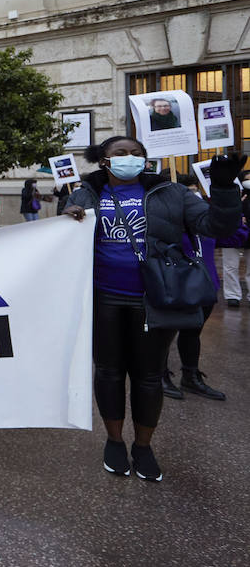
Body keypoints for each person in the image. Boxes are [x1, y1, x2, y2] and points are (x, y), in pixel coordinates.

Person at [64, 138, 243, 482]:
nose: (130, 158)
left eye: (137, 153)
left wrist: (223, 188)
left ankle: (143, 447)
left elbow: (219, 227)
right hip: (104, 299)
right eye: (121, 153)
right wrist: (68, 217)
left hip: (155, 299)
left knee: (148, 376)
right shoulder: (84, 194)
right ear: (104, 160)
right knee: (108, 372)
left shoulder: (171, 193)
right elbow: (65, 238)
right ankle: (114, 442)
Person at [160, 174, 226, 402]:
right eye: (186, 190)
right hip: (177, 287)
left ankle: (190, 376)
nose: (192, 195)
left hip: (206, 287)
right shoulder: (167, 221)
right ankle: (160, 375)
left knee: (192, 333)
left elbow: (232, 235)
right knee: (166, 333)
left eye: (194, 189)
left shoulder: (206, 220)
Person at [219, 170, 250, 308]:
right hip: (232, 233)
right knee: (230, 266)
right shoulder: (232, 193)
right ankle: (232, 295)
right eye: (247, 179)